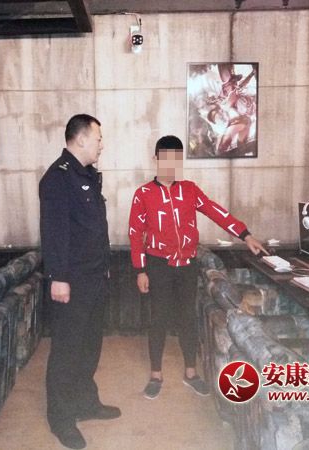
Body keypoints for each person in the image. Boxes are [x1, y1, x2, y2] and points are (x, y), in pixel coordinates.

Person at [128, 135, 269, 399]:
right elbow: (135, 234)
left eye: (176, 159)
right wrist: (140, 270)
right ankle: (156, 374)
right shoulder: (143, 194)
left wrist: (245, 234)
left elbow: (216, 211)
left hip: (187, 265)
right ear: (156, 159)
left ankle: (191, 373)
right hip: (158, 265)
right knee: (158, 319)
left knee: (187, 317)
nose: (171, 165)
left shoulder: (190, 190)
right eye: (166, 159)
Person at [39, 114, 120, 449]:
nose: (102, 144)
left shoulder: (86, 175)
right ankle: (61, 418)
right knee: (67, 350)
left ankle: (86, 402)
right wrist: (58, 278)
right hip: (70, 282)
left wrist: (104, 266)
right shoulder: (57, 178)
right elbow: (54, 232)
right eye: (98, 138)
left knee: (89, 347)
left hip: (94, 277)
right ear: (81, 138)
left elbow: (92, 230)